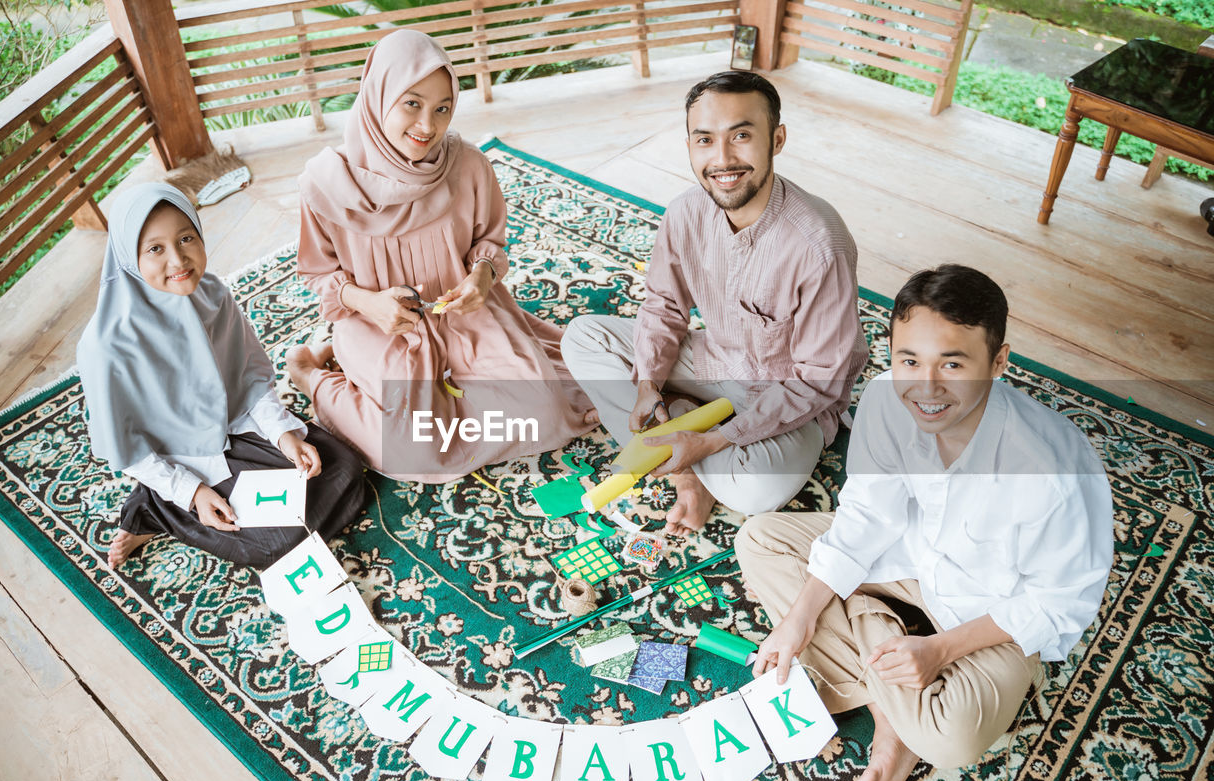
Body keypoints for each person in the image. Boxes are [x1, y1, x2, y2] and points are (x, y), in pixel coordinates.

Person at [735, 264, 1113, 781]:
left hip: (990, 614)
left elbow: (1057, 603)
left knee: (951, 736)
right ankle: (890, 708)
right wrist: (799, 616)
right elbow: (868, 512)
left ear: (999, 362)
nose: (926, 388)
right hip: (911, 560)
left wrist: (939, 651)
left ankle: (888, 699)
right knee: (759, 540)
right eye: (909, 359)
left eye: (953, 364)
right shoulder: (890, 398)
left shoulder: (1047, 472)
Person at [561, 70, 868, 536]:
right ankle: (685, 469)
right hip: (714, 360)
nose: (722, 159)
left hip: (789, 395)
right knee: (583, 337)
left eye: (741, 136)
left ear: (776, 139)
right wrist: (647, 385)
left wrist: (712, 441)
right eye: (704, 140)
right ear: (689, 145)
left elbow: (818, 382)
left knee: (755, 491)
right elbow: (664, 303)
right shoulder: (685, 211)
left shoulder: (820, 243)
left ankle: (686, 437)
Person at [287, 29, 595, 483]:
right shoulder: (324, 184)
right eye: (411, 103)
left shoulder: (468, 165)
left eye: (442, 108)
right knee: (414, 450)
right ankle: (311, 374)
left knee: (545, 414)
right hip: (380, 326)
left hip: (464, 315)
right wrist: (365, 302)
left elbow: (488, 242)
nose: (427, 126)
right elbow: (318, 271)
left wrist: (482, 278)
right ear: (377, 97)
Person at [77, 183, 368, 570]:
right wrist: (192, 491)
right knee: (278, 546)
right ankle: (156, 508)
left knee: (346, 471)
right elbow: (125, 448)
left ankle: (179, 501)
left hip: (235, 428)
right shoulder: (105, 346)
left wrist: (282, 434)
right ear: (128, 257)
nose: (178, 260)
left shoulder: (211, 293)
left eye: (186, 238)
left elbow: (249, 378)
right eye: (155, 249)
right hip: (185, 458)